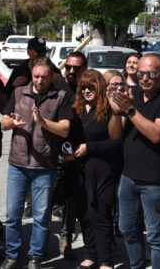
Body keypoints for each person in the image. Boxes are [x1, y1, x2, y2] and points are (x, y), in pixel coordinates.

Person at [109, 53, 160, 269]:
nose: (144, 78)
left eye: (150, 74)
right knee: (127, 229)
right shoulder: (134, 95)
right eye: (141, 73)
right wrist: (116, 112)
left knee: (156, 236)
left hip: (156, 181)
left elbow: (156, 134)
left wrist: (129, 110)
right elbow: (115, 135)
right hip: (128, 177)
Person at [0, 57, 73, 269]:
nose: (40, 81)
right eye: (36, 76)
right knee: (13, 215)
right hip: (18, 164)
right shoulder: (19, 93)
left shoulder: (61, 96)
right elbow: (4, 122)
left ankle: (35, 257)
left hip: (45, 166)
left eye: (44, 77)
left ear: (52, 76)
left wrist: (42, 122)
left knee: (41, 216)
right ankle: (12, 256)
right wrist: (13, 123)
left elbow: (65, 129)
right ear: (32, 74)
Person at [65, 69, 123, 269]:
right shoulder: (77, 110)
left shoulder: (108, 110)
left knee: (100, 214)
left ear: (100, 87)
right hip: (79, 169)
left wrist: (89, 148)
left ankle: (106, 260)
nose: (87, 91)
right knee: (84, 214)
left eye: (91, 87)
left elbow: (116, 142)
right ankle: (91, 254)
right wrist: (66, 151)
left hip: (102, 168)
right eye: (83, 87)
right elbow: (69, 137)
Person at [57, 51, 88, 256]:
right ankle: (44, 246)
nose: (71, 71)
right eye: (68, 67)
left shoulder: (89, 89)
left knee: (77, 200)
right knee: (53, 200)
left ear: (84, 69)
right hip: (58, 153)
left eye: (76, 68)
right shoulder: (57, 87)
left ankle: (68, 240)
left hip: (83, 152)